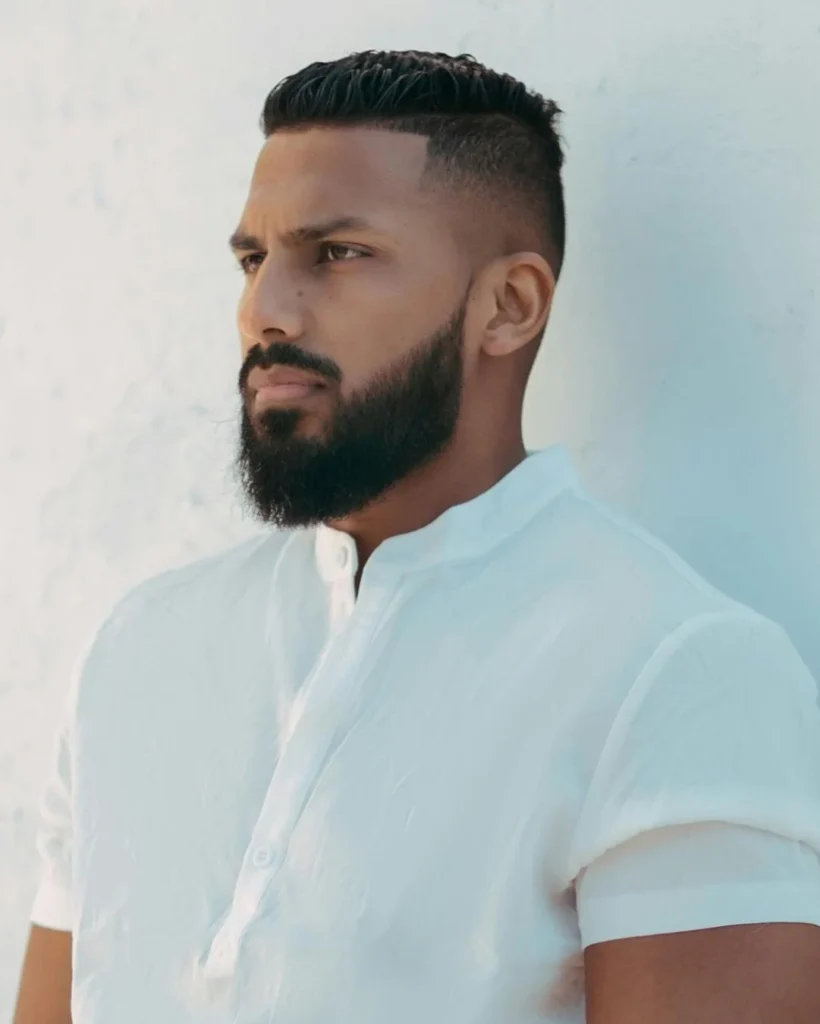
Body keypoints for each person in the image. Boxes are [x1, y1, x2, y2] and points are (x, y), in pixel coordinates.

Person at [13, 49, 820, 1024]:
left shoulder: (675, 669)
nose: (263, 308)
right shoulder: (138, 648)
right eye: (253, 259)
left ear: (508, 306)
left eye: (338, 253)